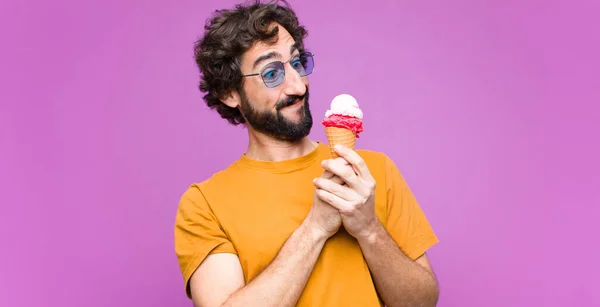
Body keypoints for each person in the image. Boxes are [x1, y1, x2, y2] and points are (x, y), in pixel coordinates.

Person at [173, 1, 440, 306]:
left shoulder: (371, 173)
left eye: (297, 63)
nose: (298, 86)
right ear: (229, 93)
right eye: (271, 73)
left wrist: (369, 229)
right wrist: (315, 228)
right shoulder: (204, 205)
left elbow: (422, 303)